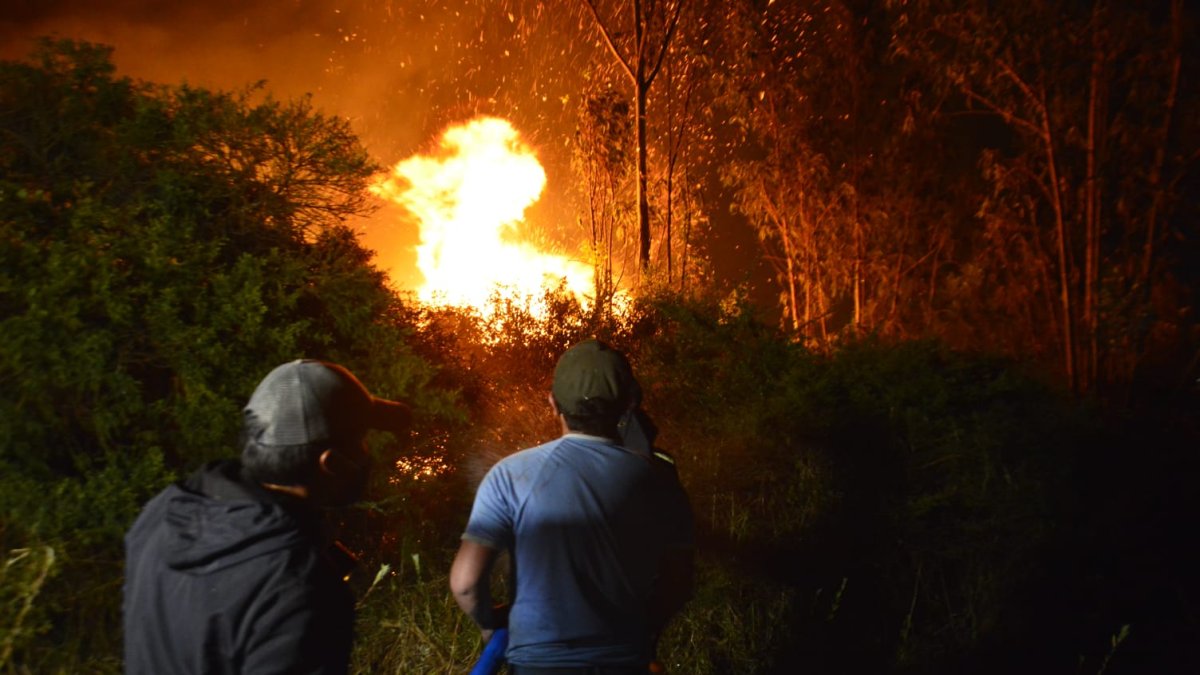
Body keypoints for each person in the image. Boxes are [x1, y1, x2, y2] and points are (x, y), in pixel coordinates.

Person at [123, 359, 410, 675]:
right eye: (362, 441)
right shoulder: (302, 587)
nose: (368, 453)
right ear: (331, 463)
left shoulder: (164, 512)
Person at [451, 339, 695, 674]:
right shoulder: (658, 479)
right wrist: (641, 630)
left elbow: (465, 583)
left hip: (535, 666)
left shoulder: (509, 474)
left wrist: (489, 624)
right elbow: (679, 581)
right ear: (628, 404)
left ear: (552, 403)